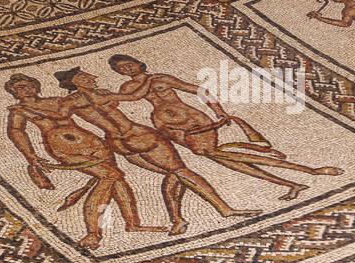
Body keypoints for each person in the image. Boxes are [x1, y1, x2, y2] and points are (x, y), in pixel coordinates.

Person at [51, 68, 260, 234]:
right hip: (137, 138)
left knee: (175, 173)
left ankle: (178, 220)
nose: (93, 77)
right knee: (181, 172)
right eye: (86, 76)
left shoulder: (81, 99)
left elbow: (57, 119)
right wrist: (150, 80)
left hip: (120, 142)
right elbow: (134, 97)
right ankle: (224, 209)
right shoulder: (84, 99)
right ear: (76, 81)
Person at [107, 55, 342, 201]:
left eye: (128, 65)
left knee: (214, 153)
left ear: (139, 62)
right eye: (121, 70)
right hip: (168, 128)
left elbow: (199, 90)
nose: (126, 70)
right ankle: (292, 182)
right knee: (223, 159)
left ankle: (308, 171)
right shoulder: (128, 88)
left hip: (193, 121)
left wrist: (218, 111)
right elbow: (121, 100)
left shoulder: (162, 79)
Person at [4, 74, 165, 250]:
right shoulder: (18, 111)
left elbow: (75, 110)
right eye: (20, 87)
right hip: (64, 148)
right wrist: (30, 155)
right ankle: (92, 234)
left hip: (93, 143)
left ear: (37, 86)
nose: (27, 89)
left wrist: (96, 96)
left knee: (117, 181)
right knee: (110, 176)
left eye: (30, 85)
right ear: (13, 92)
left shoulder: (57, 101)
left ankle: (133, 224)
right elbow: (16, 131)